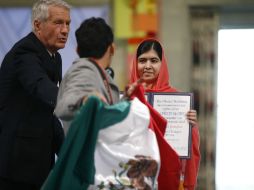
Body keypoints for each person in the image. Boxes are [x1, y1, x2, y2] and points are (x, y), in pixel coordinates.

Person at [0, 0, 71, 189]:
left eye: (68, 23)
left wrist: (67, 151)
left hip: (40, 162)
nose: (65, 30)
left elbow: (49, 111)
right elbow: (41, 87)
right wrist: (78, 101)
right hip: (16, 167)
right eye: (58, 23)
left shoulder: (55, 56)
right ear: (37, 25)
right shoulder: (25, 52)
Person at [129, 38, 200, 190]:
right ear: (135, 64)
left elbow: (187, 150)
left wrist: (190, 126)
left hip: (169, 178)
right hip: (133, 176)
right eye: (142, 61)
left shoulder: (179, 101)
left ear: (162, 64)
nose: (147, 66)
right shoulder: (126, 100)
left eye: (154, 60)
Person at [55, 17, 132, 132]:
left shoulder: (96, 72)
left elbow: (104, 114)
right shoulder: (84, 71)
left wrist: (125, 99)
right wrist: (84, 99)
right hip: (89, 149)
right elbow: (63, 108)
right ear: (112, 49)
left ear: (77, 50)